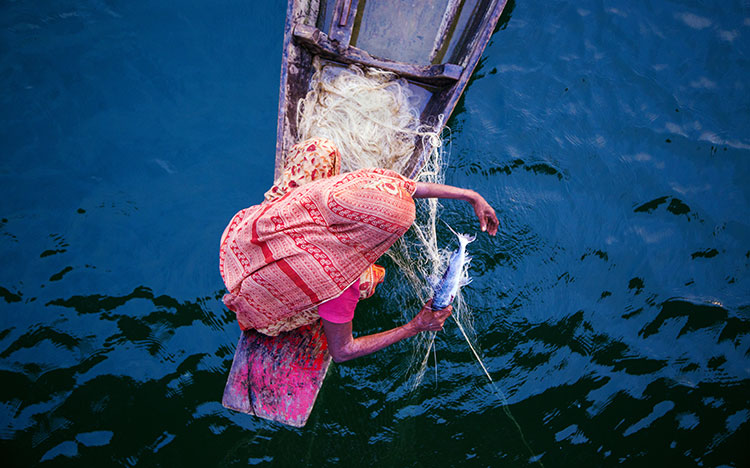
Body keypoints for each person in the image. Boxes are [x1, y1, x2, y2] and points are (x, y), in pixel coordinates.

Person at [219, 138, 498, 362]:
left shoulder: (328, 194)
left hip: (240, 245)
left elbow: (407, 187)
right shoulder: (338, 279)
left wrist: (470, 195)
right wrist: (415, 326)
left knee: (320, 150)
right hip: (264, 303)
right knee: (368, 279)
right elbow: (343, 351)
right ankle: (273, 309)